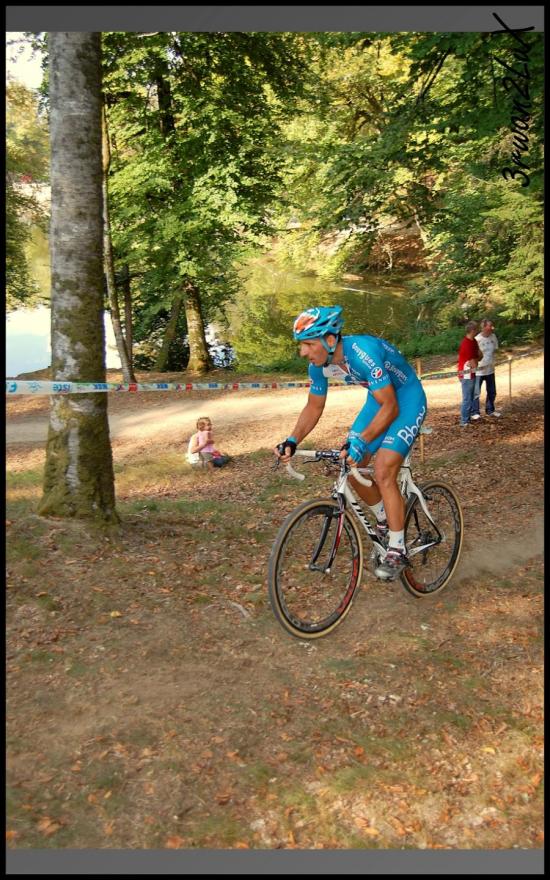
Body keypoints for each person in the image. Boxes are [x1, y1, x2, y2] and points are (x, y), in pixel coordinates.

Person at [273, 305, 427, 581]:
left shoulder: (363, 353)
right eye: (302, 345)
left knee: (382, 471)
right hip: (378, 400)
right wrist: (292, 440)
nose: (303, 352)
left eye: (308, 344)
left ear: (330, 340)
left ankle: (397, 548)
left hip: (405, 400)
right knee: (350, 462)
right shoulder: (318, 366)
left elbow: (391, 408)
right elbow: (314, 406)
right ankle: (384, 520)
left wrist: (363, 440)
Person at [471, 318, 501, 419]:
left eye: (492, 325)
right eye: (489, 326)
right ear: (483, 327)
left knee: (492, 391)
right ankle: (475, 412)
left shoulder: (493, 337)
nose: (492, 328)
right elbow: (473, 355)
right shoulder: (477, 339)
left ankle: (490, 410)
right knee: (476, 392)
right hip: (479, 371)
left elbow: (494, 351)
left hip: (490, 370)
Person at [457, 321, 481, 427]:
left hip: (472, 372)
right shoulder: (466, 343)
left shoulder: (474, 341)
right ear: (472, 330)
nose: (478, 331)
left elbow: (480, 355)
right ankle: (464, 421)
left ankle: (469, 416)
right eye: (476, 329)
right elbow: (473, 362)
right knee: (467, 398)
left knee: (471, 396)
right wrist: (476, 363)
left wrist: (476, 361)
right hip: (466, 374)